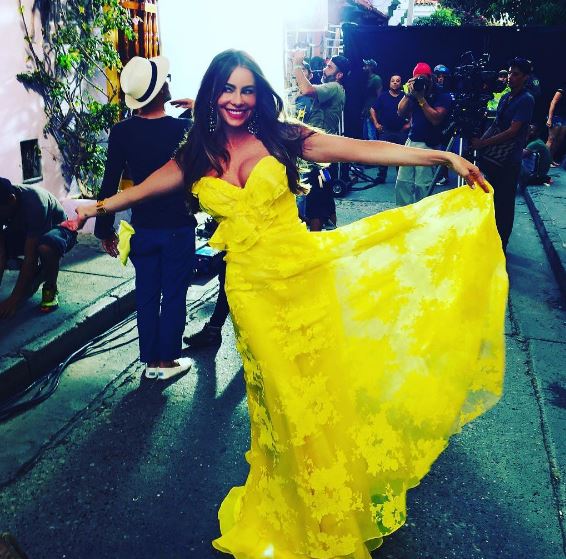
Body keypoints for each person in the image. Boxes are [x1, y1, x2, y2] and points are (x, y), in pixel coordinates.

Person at [69, 49, 507, 559]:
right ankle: (293, 505)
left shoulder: (283, 137)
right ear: (212, 94)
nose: (237, 99)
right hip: (250, 294)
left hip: (302, 280)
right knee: (279, 407)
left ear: (258, 94)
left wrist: (443, 158)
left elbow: (361, 149)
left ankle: (328, 507)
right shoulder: (196, 154)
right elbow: (143, 189)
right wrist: (93, 208)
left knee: (314, 397)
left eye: (246, 89)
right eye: (227, 89)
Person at [93, 55, 195, 380]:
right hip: (178, 226)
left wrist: (103, 229)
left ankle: (150, 362)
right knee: (174, 294)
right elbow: (221, 137)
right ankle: (167, 362)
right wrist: (199, 107)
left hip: (143, 227)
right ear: (163, 89)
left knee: (147, 294)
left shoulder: (121, 132)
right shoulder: (185, 128)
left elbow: (109, 183)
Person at [471, 57, 535, 252]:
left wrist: (483, 143)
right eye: (509, 73)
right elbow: (497, 124)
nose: (510, 77)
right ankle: (488, 240)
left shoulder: (526, 99)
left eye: (516, 74)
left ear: (525, 77)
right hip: (494, 157)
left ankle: (501, 246)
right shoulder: (506, 97)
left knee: (504, 205)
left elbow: (512, 131)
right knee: (489, 198)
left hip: (509, 160)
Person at [0, 178, 77, 317]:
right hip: (24, 233)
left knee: (45, 247)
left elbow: (31, 258)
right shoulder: (5, 200)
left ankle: (50, 287)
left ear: (12, 200)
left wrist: (14, 299)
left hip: (59, 233)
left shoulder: (36, 204)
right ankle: (38, 272)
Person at [292, 51, 350, 231]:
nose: (325, 69)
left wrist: (296, 64)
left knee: (314, 199)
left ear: (339, 75)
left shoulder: (334, 87)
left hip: (318, 152)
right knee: (324, 194)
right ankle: (332, 230)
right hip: (324, 151)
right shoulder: (334, 89)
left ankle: (316, 239)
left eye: (329, 67)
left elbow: (307, 89)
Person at [395, 62, 454, 206]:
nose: (420, 82)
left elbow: (436, 119)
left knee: (422, 185)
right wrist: (408, 94)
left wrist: (421, 99)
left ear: (430, 78)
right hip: (411, 141)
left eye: (422, 78)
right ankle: (403, 213)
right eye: (417, 79)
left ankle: (422, 215)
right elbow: (400, 112)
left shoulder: (442, 94)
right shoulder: (414, 91)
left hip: (428, 144)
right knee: (402, 182)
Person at [370, 74, 410, 183]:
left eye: (398, 81)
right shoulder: (383, 96)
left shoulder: (405, 96)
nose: (395, 82)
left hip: (401, 131)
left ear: (400, 83)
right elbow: (372, 109)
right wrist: (376, 124)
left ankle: (400, 178)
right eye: (393, 81)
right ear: (389, 83)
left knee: (401, 156)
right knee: (383, 154)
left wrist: (409, 124)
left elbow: (412, 110)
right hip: (386, 131)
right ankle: (381, 176)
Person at [361, 58, 383, 141]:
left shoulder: (376, 79)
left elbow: (379, 97)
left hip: (372, 112)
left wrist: (375, 113)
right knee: (365, 136)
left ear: (370, 67)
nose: (364, 67)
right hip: (366, 111)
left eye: (366, 66)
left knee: (371, 137)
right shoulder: (368, 79)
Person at [545, 82, 565, 167]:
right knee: (551, 139)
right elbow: (553, 102)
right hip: (555, 116)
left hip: (564, 117)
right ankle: (543, 161)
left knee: (559, 140)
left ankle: (550, 159)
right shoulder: (562, 89)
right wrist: (550, 118)